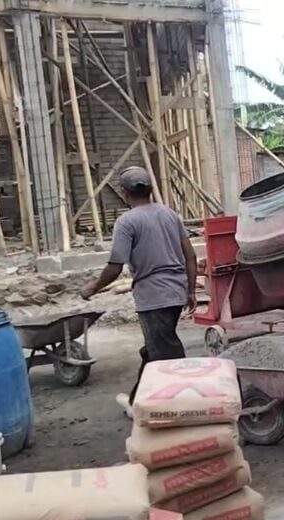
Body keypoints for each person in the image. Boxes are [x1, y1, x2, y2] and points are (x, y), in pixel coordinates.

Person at [81, 166, 197, 415]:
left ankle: (184, 407)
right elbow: (191, 256)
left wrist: (92, 288)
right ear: (150, 190)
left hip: (153, 297)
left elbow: (114, 267)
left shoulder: (127, 222)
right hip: (175, 293)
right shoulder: (170, 214)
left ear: (124, 193)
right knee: (155, 348)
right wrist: (191, 291)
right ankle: (136, 402)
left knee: (167, 354)